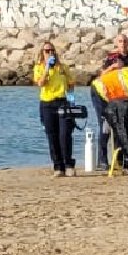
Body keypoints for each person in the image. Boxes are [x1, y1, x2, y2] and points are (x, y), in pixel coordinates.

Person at [90, 33, 128, 169]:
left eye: (125, 41)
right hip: (103, 93)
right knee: (105, 125)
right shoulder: (111, 58)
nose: (123, 44)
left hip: (122, 97)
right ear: (116, 43)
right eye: (120, 41)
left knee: (121, 125)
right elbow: (101, 77)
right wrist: (113, 68)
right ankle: (102, 159)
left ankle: (121, 159)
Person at [32, 41, 77, 178]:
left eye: (52, 50)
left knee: (65, 135)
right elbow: (40, 83)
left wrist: (72, 101)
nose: (50, 53)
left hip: (63, 102)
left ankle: (69, 164)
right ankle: (58, 166)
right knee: (52, 136)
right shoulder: (39, 67)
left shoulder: (62, 68)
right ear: (42, 53)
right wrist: (47, 68)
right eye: (47, 51)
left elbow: (70, 85)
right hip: (47, 103)